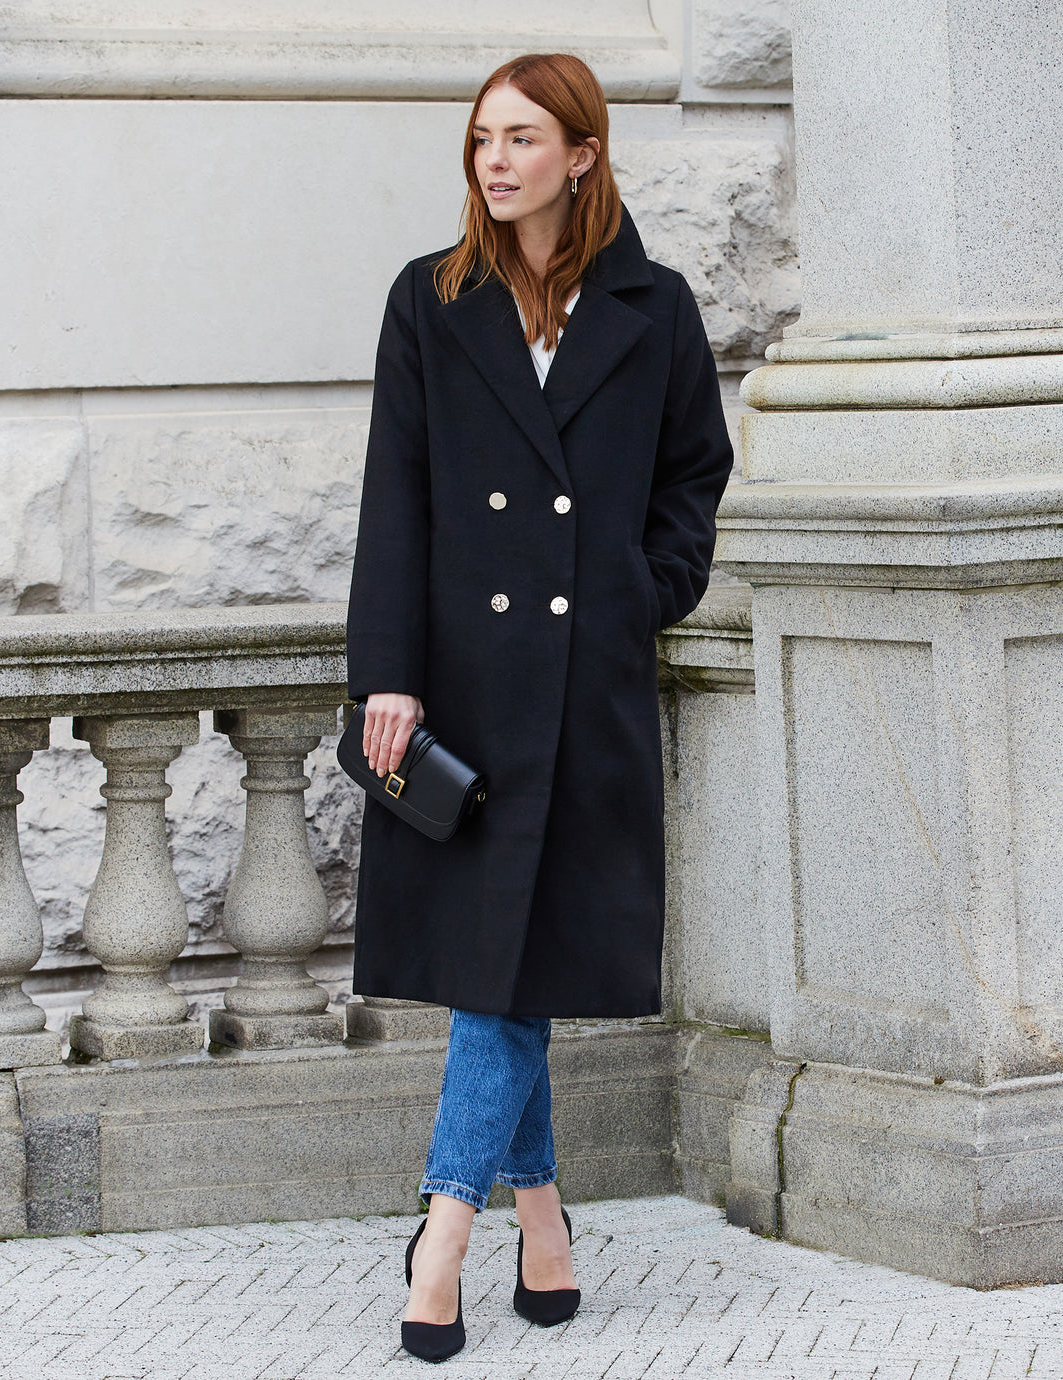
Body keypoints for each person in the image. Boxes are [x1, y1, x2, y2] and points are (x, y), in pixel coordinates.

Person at [345, 51, 733, 1362]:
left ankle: (444, 1237)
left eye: (521, 138)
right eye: (481, 140)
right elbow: (395, 494)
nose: (495, 161)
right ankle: (537, 1226)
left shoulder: (654, 307)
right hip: (462, 687)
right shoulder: (431, 298)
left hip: (584, 688)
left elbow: (694, 476)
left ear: (582, 153)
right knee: (499, 972)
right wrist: (387, 673)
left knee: (510, 971)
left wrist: (641, 592)